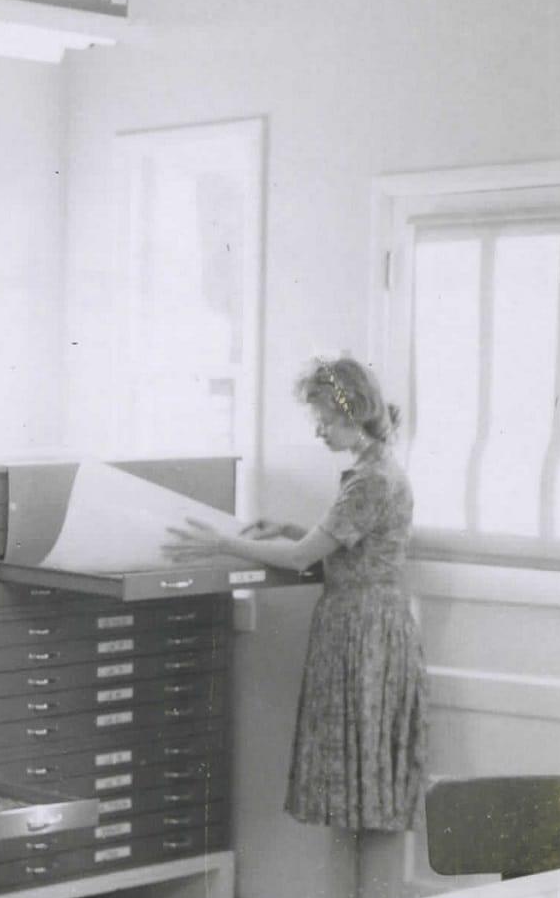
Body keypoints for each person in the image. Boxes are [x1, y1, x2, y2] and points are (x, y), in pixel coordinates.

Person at [162, 355, 427, 831]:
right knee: (359, 768)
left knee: (353, 768)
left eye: (326, 420)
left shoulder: (369, 480)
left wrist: (223, 542)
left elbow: (302, 557)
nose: (320, 432)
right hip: (373, 620)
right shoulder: (380, 469)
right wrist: (286, 526)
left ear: (353, 415)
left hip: (360, 625)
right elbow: (352, 542)